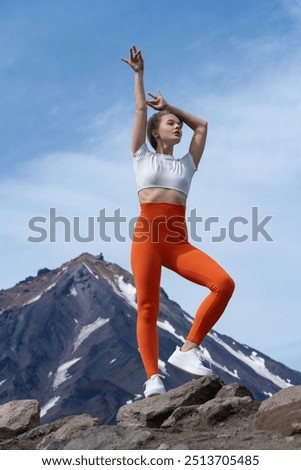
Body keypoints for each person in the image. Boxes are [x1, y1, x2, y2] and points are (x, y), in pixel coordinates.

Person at [121, 45, 235, 398]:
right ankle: (153, 377)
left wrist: (170, 107)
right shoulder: (141, 155)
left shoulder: (187, 164)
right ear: (156, 133)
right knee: (148, 306)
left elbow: (201, 125)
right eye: (171, 124)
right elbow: (140, 109)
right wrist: (140, 76)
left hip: (177, 244)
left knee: (223, 283)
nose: (179, 128)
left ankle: (188, 350)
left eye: (177, 124)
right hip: (148, 241)